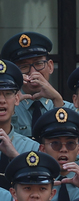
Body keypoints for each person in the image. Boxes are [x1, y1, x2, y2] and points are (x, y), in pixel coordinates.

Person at [1, 31, 73, 138]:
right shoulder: (5, 106)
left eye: (39, 63)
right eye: (24, 67)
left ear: (50, 66)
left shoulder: (68, 107)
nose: (33, 72)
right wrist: (12, 103)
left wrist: (57, 100)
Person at [0, 59, 41, 190]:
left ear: (17, 98)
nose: (2, 100)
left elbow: (39, 191)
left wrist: (16, 158)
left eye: (7, 94)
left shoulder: (32, 147)